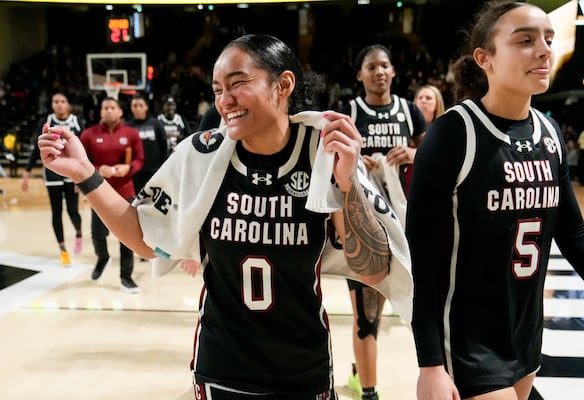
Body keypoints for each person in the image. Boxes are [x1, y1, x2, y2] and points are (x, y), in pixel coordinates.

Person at [37, 33, 413, 399]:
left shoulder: (322, 156)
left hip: (304, 369)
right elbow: (144, 238)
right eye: (217, 89)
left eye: (237, 83)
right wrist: (85, 174)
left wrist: (347, 185)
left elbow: (373, 270)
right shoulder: (200, 156)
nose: (224, 100)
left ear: (282, 85)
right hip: (223, 368)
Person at [405, 2, 584, 400]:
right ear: (485, 59)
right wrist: (430, 364)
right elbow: (423, 261)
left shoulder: (548, 132)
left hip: (525, 336)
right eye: (525, 41)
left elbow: (575, 236)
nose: (544, 49)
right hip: (466, 343)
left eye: (547, 38)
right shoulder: (453, 134)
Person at [340, 44, 427, 400]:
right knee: (367, 316)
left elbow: (434, 160)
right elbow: (328, 161)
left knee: (407, 302)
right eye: (371, 66)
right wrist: (353, 157)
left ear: (393, 72)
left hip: (406, 223)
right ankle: (369, 392)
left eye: (385, 66)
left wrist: (415, 153)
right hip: (365, 225)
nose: (379, 71)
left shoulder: (409, 112)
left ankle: (362, 369)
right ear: (359, 75)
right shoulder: (349, 112)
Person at [80, 96, 144, 293]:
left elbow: (140, 159)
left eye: (112, 107)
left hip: (125, 191)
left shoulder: (131, 133)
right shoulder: (88, 135)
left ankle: (126, 277)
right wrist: (99, 169)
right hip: (98, 192)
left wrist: (128, 167)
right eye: (104, 108)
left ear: (120, 112)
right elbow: (82, 162)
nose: (108, 110)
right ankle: (103, 258)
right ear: (100, 112)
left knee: (128, 237)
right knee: (98, 235)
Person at [21, 92, 85, 267]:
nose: (59, 104)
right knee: (56, 211)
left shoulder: (78, 122)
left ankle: (78, 233)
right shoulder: (45, 121)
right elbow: (37, 147)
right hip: (52, 171)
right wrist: (26, 173)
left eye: (62, 101)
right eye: (55, 101)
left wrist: (85, 177)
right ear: (52, 105)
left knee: (72, 210)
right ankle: (63, 250)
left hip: (73, 171)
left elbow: (85, 148)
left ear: (68, 105)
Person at [126, 95, 169, 194]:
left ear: (146, 107)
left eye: (141, 105)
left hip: (154, 171)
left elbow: (164, 147)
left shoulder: (156, 124)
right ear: (131, 108)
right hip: (136, 173)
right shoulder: (128, 127)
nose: (138, 108)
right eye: (135, 106)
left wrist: (164, 168)